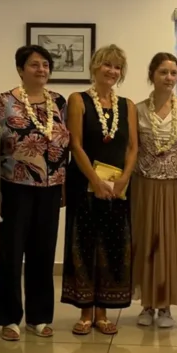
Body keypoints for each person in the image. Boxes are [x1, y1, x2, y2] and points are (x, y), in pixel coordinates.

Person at [0, 45, 69, 341]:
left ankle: (39, 317)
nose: (41, 70)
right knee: (12, 253)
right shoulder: (4, 101)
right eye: (35, 65)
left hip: (50, 188)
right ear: (21, 69)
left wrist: (63, 185)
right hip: (14, 187)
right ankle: (9, 318)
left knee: (43, 253)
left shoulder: (58, 102)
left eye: (46, 65)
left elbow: (66, 148)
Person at [61, 44, 138, 336]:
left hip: (117, 187)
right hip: (85, 184)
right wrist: (94, 179)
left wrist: (124, 180)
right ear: (95, 67)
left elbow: (132, 147)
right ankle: (84, 312)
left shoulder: (127, 105)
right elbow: (75, 144)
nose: (111, 71)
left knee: (113, 247)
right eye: (107, 65)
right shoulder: (78, 100)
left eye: (117, 67)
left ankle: (103, 312)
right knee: (84, 245)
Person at [131, 52, 177, 328]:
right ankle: (147, 304)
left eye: (173, 72)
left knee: (171, 243)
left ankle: (166, 306)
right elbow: (132, 149)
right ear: (152, 75)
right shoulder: (136, 109)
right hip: (145, 184)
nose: (169, 78)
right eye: (163, 72)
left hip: (176, 185)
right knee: (147, 241)